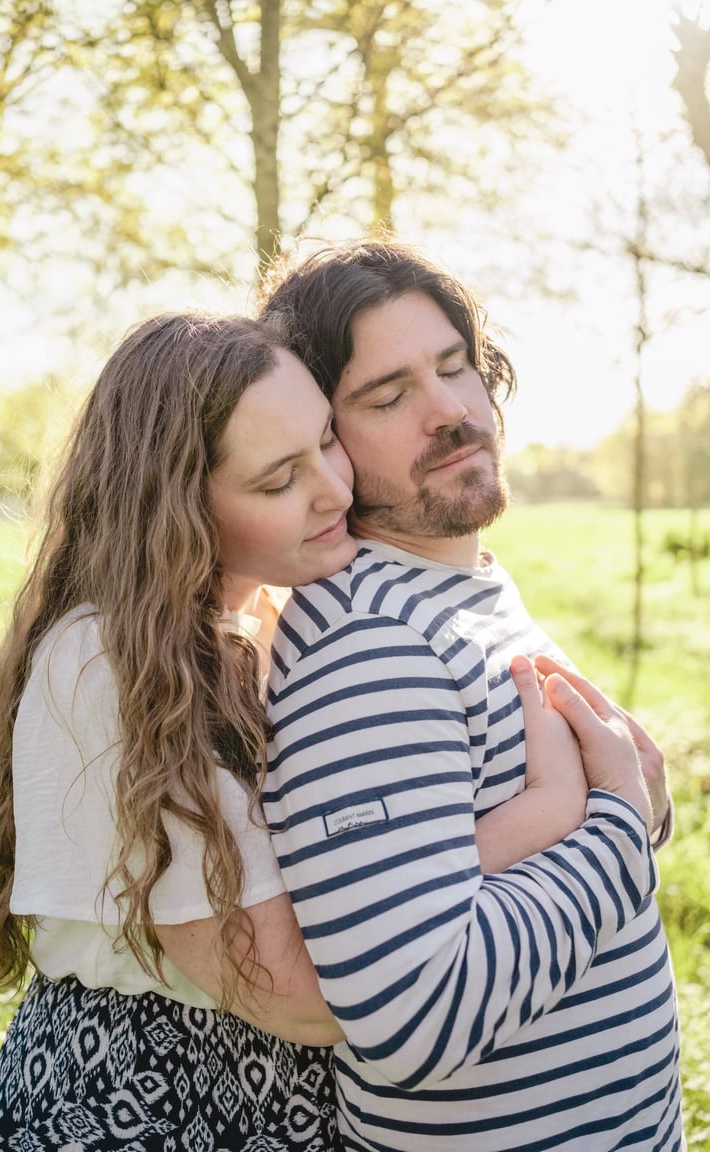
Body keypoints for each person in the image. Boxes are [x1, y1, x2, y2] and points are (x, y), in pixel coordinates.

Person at [258, 239, 684, 1152]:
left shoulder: (462, 586)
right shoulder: (368, 646)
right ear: (321, 440)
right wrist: (621, 824)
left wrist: (626, 806)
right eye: (388, 397)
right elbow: (415, 1018)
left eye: (454, 367)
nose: (450, 411)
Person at [0, 312, 361, 1151]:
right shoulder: (107, 664)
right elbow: (286, 992)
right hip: (146, 1100)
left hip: (278, 1098)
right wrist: (557, 824)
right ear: (177, 509)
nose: (335, 490)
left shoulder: (285, 619)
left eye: (328, 439)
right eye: (279, 480)